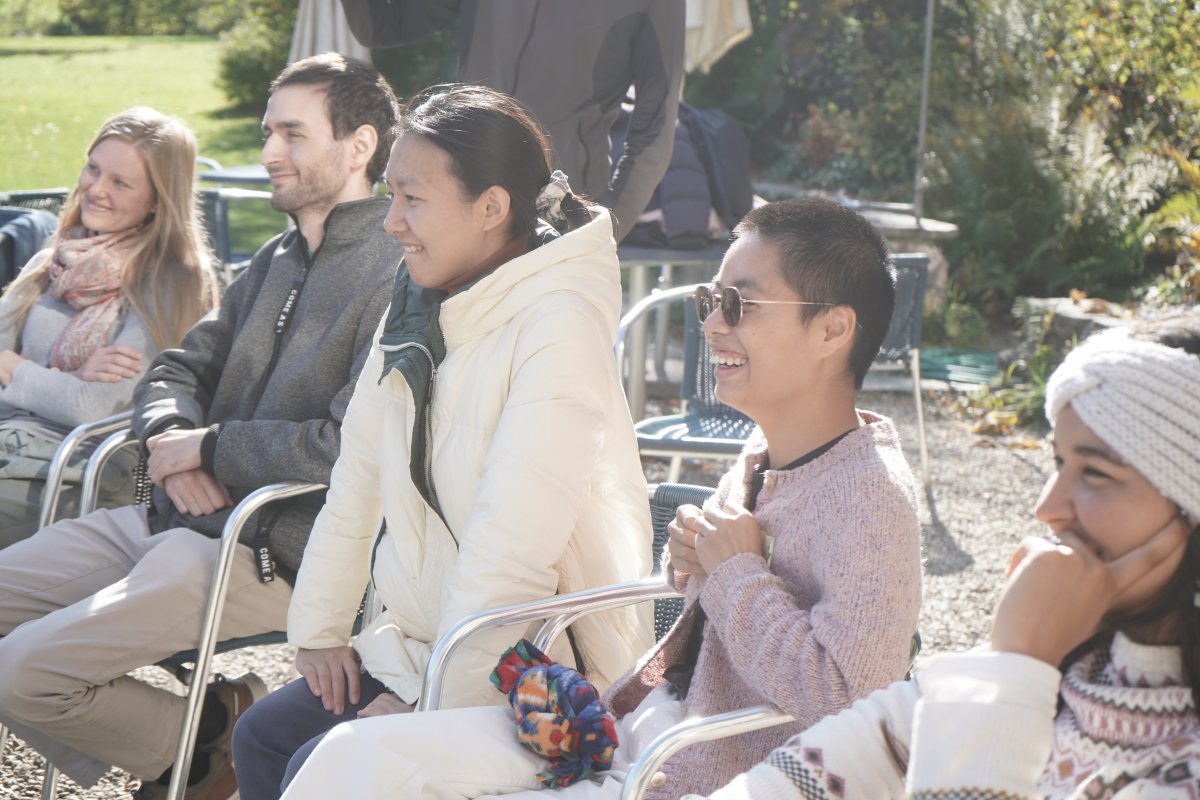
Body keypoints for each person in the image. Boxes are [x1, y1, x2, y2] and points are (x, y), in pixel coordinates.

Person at [269, 195, 925, 800]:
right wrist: (689, 574)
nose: (712, 323)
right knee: (353, 755)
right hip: (628, 739)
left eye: (740, 304)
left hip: (686, 776)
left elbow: (853, 708)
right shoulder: (763, 454)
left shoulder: (870, 500)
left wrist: (735, 573)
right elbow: (719, 630)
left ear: (833, 330)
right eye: (710, 299)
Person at [232, 82, 656, 800]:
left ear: (491, 207)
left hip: (539, 680)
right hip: (421, 647)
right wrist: (322, 627)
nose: (391, 221)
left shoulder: (559, 324)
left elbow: (509, 555)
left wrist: (433, 711)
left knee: (322, 766)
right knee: (263, 738)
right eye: (390, 196)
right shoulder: (419, 296)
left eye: (413, 199)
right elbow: (357, 475)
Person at [0, 52, 402, 800]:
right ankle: (215, 729)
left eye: (292, 134)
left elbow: (348, 444)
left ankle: (208, 748)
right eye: (267, 131)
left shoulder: (396, 275)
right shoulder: (277, 257)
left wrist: (211, 449)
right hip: (170, 516)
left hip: (272, 551)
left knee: (21, 671)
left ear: (360, 146)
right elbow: (174, 371)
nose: (269, 151)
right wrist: (172, 448)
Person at [694, 315, 1200, 800]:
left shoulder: (1171, 756)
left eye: (1096, 474)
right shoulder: (1065, 661)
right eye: (1058, 461)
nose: (1047, 508)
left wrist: (1020, 665)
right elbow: (833, 761)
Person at [0, 107, 217, 546]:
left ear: (157, 200)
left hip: (79, 475)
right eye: (93, 169)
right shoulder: (53, 261)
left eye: (120, 183)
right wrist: (69, 375)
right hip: (14, 449)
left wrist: (16, 369)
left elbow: (94, 408)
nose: (96, 189)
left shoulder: (171, 282)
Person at [338, 0, 685, 242]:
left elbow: (655, 125)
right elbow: (382, 27)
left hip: (561, 217)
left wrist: (605, 226)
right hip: (462, 199)